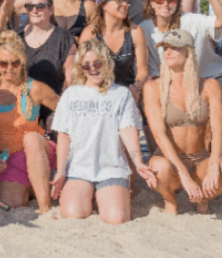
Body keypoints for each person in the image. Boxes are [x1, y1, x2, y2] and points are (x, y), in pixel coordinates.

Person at [51, 40, 156, 225]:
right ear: (80, 68)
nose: (93, 69)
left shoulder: (121, 94)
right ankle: (88, 194)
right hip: (78, 168)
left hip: (111, 168)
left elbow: (128, 129)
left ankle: (104, 194)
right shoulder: (71, 94)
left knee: (116, 218)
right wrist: (60, 171)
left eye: (97, 63)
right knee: (73, 213)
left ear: (106, 62)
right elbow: (64, 135)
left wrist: (138, 162)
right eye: (86, 65)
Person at [143, 32, 222, 216]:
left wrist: (213, 165)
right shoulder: (153, 87)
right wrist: (183, 175)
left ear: (188, 52)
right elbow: (159, 135)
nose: (168, 52)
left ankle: (203, 198)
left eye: (174, 47)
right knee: (158, 168)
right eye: (165, 48)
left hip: (199, 159)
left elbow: (219, 132)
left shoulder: (209, 85)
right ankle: (170, 198)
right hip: (169, 161)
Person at [0, 32, 59, 211]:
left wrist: (54, 117)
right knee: (12, 204)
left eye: (15, 62)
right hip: (9, 160)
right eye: (4, 63)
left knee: (30, 138)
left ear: (22, 62)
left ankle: (45, 208)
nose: (10, 68)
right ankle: (36, 184)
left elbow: (67, 108)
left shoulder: (35, 88)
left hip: (39, 152)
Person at [139, 0, 222, 84]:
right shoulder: (144, 29)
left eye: (171, 0)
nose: (166, 3)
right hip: (173, 86)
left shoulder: (191, 20)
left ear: (177, 3)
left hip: (210, 77)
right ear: (151, 3)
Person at [83, 0, 148, 94]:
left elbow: (143, 70)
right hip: (99, 94)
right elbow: (82, 70)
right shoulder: (91, 33)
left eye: (126, 0)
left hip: (128, 92)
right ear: (103, 5)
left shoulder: (135, 31)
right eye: (118, 0)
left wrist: (136, 87)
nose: (124, 4)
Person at [18, 0, 75, 98]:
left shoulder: (64, 39)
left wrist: (59, 108)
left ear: (51, 10)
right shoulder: (15, 37)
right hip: (20, 108)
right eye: (30, 6)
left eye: (40, 6)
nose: (35, 10)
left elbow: (71, 78)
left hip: (52, 108)